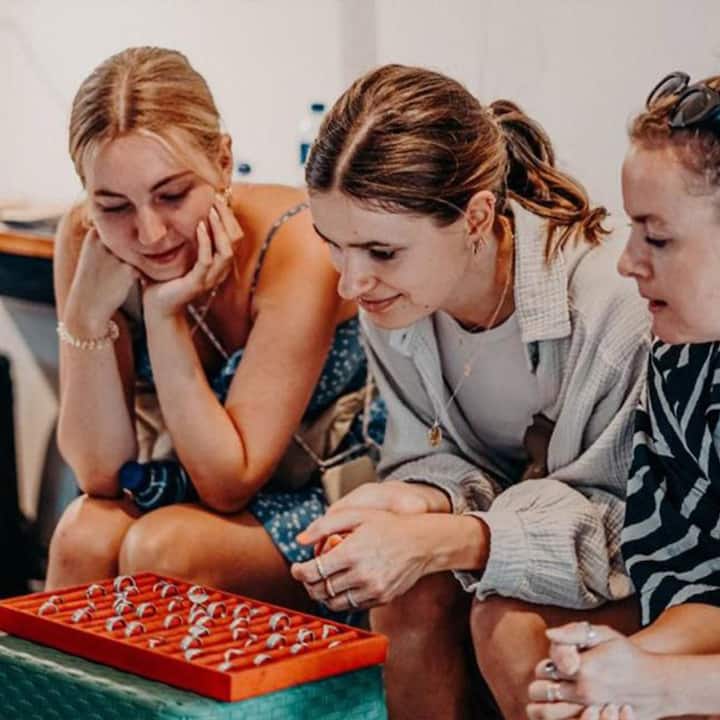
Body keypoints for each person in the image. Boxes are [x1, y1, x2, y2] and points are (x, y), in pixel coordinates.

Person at [289, 63, 650, 720]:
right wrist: (414, 497)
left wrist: (450, 537)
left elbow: (633, 533)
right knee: (406, 595)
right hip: (535, 538)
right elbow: (436, 454)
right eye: (333, 245)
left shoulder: (612, 307)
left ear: (478, 215)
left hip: (642, 572)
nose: (350, 283)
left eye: (381, 251)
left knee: (506, 624)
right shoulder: (393, 305)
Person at [46, 46, 383, 613]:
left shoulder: (298, 242)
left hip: (323, 492)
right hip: (181, 483)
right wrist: (84, 318)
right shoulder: (89, 242)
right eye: (113, 205)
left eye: (172, 195)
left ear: (223, 161)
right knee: (82, 535)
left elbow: (230, 482)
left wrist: (164, 316)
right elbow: (100, 472)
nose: (150, 233)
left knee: (163, 549)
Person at [529, 71, 720, 720]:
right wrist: (618, 664)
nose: (626, 261)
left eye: (657, 237)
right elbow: (702, 575)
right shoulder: (682, 360)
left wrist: (661, 686)